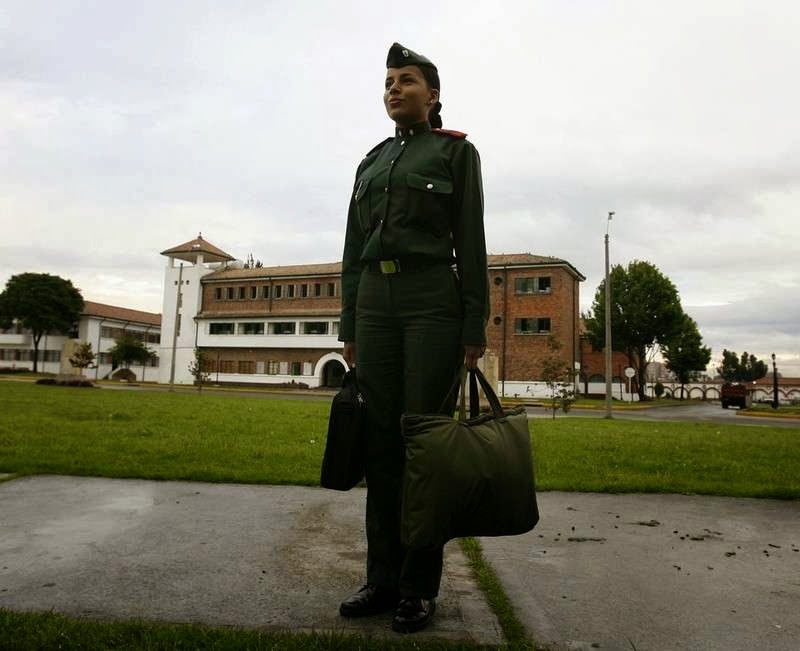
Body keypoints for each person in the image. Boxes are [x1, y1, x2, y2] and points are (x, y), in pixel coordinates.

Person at [337, 42, 488, 634]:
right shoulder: (371, 163)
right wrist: (350, 322)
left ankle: (418, 587)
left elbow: (470, 242)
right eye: (388, 83)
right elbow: (353, 249)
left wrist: (473, 323)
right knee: (379, 442)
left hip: (431, 301)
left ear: (433, 94)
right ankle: (381, 578)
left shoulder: (456, 154)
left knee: (423, 442)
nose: (393, 89)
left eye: (405, 80)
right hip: (376, 302)